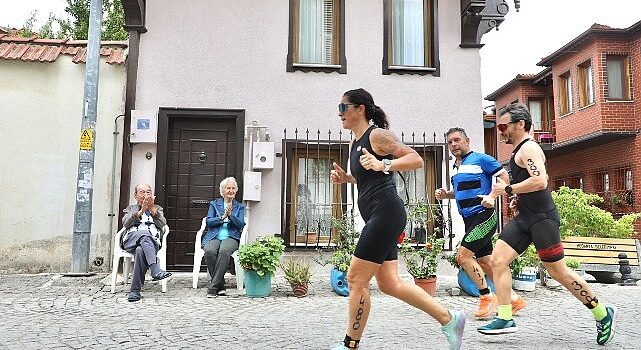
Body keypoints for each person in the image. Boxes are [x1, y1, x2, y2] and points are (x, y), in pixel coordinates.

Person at [330, 88, 465, 350]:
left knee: (356, 279)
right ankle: (450, 319)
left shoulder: (377, 135)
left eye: (343, 107)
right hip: (377, 214)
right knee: (390, 283)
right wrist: (347, 178)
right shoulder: (354, 143)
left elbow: (415, 160)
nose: (340, 113)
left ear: (360, 108)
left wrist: (385, 165)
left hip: (386, 213)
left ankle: (350, 345)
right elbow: (369, 176)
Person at [478, 103, 617, 345]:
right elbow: (533, 182)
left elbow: (541, 181)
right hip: (525, 219)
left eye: (504, 125)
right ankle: (505, 316)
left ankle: (602, 313)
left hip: (543, 221)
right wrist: (515, 197)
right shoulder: (519, 151)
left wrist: (508, 188)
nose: (501, 131)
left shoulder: (529, 148)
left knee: (558, 272)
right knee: (497, 260)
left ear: (520, 124)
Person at [435, 127, 526, 319]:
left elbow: (505, 178)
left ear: (467, 140)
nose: (453, 144)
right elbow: (461, 192)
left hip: (484, 215)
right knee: (485, 262)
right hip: (469, 219)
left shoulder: (482, 159)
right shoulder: (457, 167)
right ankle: (513, 299)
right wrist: (446, 194)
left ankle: (487, 297)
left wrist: (492, 196)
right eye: (450, 142)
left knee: (463, 257)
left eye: (457, 140)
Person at [121, 183, 172, 302]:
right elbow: (125, 223)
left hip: (151, 242)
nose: (145, 195)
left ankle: (135, 291)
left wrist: (153, 211)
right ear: (135, 195)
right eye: (142, 192)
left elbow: (162, 224)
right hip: (131, 240)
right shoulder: (131, 208)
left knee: (140, 250)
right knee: (144, 234)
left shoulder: (158, 208)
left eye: (148, 192)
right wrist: (140, 212)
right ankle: (154, 268)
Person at [202, 177, 246, 297]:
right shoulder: (214, 204)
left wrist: (231, 216)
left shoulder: (240, 206)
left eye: (233, 188)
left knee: (224, 250)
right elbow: (209, 222)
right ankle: (220, 285)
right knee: (209, 250)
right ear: (223, 190)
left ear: (236, 191)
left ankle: (213, 287)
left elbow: (241, 224)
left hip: (231, 236)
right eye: (228, 188)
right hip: (214, 235)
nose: (231, 191)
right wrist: (222, 217)